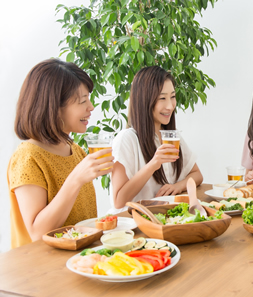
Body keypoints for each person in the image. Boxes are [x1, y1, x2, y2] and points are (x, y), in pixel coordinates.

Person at [7, 59, 114, 248]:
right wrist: (76, 179)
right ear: (54, 108)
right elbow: (38, 233)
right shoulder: (28, 157)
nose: (91, 107)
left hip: (80, 260)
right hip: (43, 271)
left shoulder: (75, 150)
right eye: (82, 101)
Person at [110, 66, 203, 213]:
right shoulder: (127, 139)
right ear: (144, 101)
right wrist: (154, 163)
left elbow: (197, 175)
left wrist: (178, 186)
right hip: (134, 223)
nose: (170, 106)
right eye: (162, 98)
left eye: (172, 97)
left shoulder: (170, 136)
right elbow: (118, 201)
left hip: (164, 218)